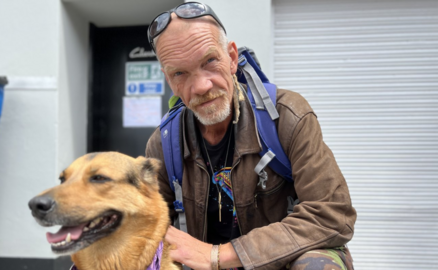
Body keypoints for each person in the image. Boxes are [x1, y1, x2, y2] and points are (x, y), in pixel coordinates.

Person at [145, 2, 357, 270]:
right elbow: (146, 227)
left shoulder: (286, 116)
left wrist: (218, 255)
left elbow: (331, 215)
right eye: (179, 73)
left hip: (282, 262)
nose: (201, 86)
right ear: (169, 80)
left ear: (232, 58)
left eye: (210, 61)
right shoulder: (164, 144)